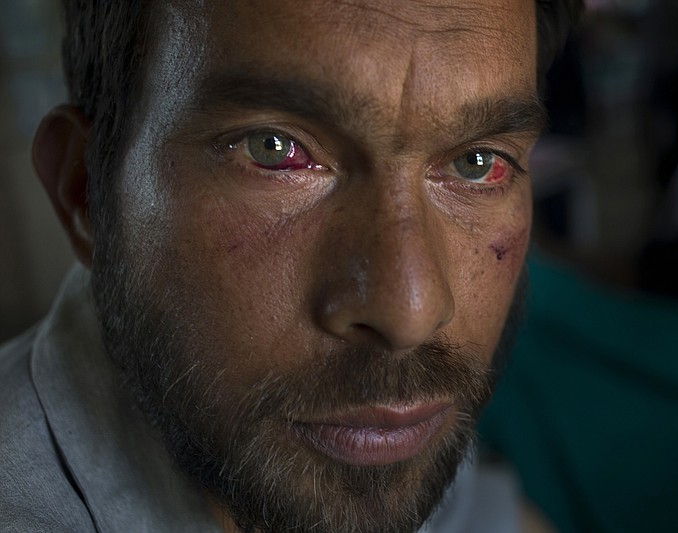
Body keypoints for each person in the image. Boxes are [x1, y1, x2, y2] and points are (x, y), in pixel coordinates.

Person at [0, 1, 582, 532]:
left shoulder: (373, 420)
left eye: (478, 163)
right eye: (273, 150)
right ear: (85, 194)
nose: (409, 314)